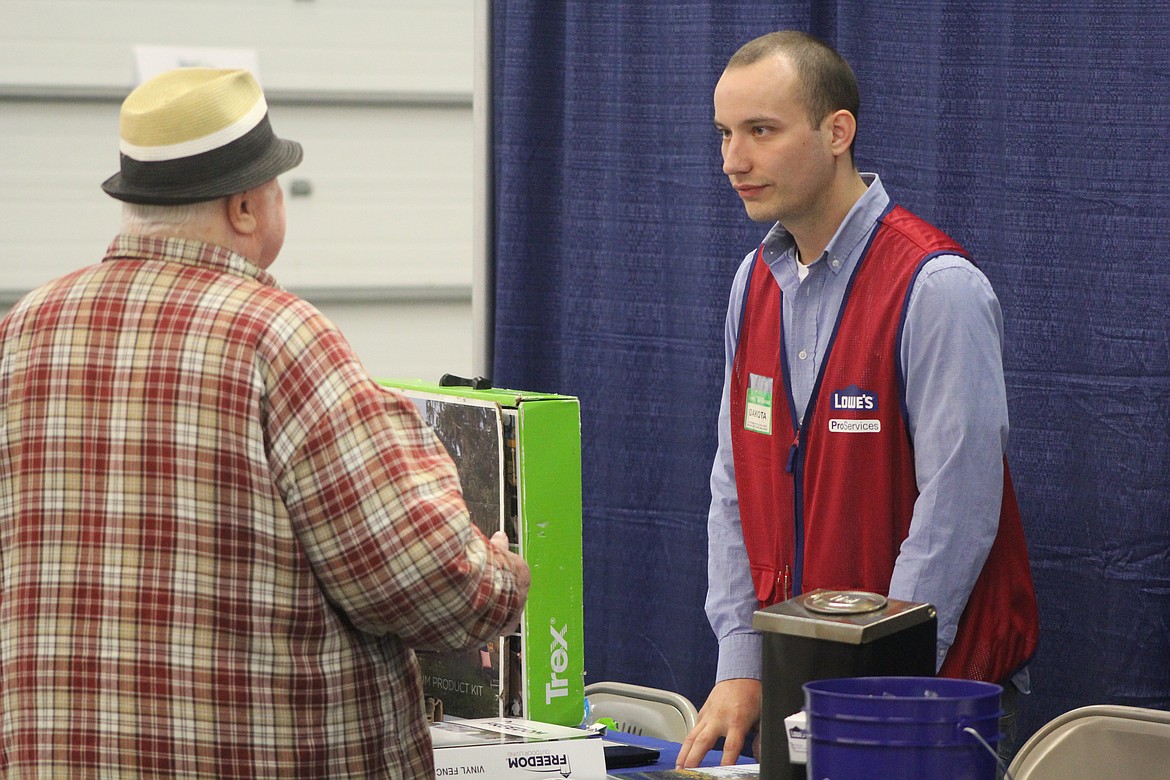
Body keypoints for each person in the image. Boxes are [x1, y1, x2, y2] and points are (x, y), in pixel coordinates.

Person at [0, 68, 530, 778]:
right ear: (247, 208)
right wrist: (499, 572)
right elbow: (430, 583)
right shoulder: (279, 339)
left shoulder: (24, 330)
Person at [676, 31, 1039, 769]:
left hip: (920, 701)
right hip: (799, 688)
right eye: (724, 133)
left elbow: (957, 512)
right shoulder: (753, 283)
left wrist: (873, 691)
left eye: (761, 132)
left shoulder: (937, 289)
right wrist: (742, 659)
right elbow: (733, 484)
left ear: (837, 132)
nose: (733, 161)